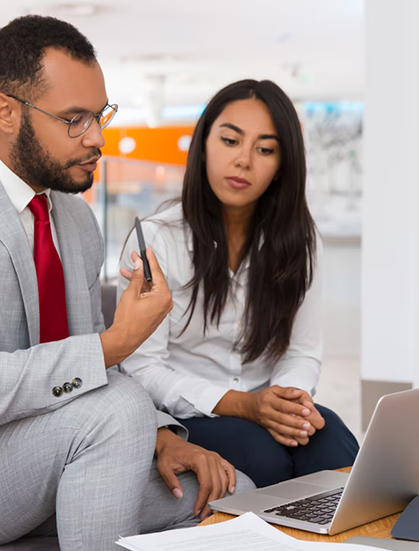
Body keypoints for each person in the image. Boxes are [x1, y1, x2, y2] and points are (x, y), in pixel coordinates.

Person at [0, 16, 255, 551]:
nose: (97, 137)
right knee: (115, 409)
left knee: (232, 493)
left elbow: (93, 365)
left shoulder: (72, 219)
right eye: (75, 119)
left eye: (99, 115)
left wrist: (162, 436)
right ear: (5, 112)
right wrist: (116, 342)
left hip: (55, 446)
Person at [118, 79, 359, 489]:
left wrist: (287, 404)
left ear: (282, 165)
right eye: (230, 141)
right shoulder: (160, 239)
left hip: (265, 399)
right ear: (204, 144)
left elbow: (301, 351)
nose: (244, 160)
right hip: (190, 412)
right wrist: (245, 407)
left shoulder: (301, 242)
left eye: (265, 149)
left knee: (335, 445)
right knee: (262, 458)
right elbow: (143, 368)